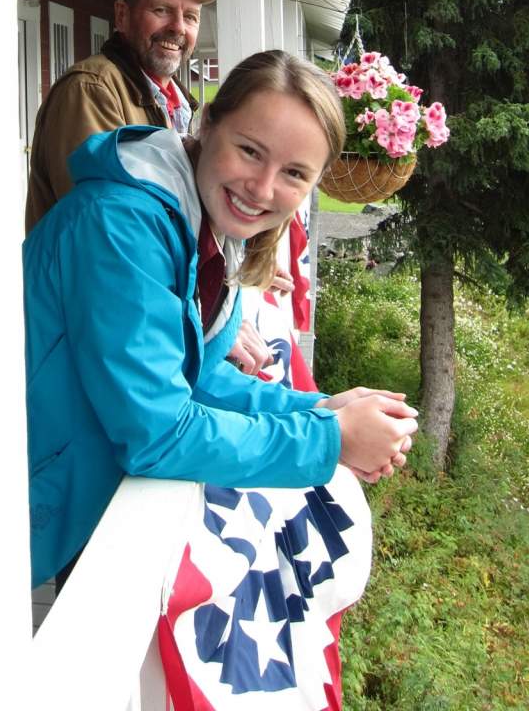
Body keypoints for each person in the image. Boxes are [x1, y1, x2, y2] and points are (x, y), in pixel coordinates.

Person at [22, 49, 418, 589]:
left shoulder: (205, 220)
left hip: (70, 497)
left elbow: (198, 373)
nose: (262, 188)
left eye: (294, 174)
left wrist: (321, 408)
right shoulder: (124, 225)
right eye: (250, 151)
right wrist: (329, 441)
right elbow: (157, 432)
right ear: (207, 124)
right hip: (8, 506)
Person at [24, 0, 218, 233]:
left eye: (190, 17)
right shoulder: (90, 90)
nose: (178, 28)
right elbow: (107, 226)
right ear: (122, 16)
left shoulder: (178, 102)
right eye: (162, 10)